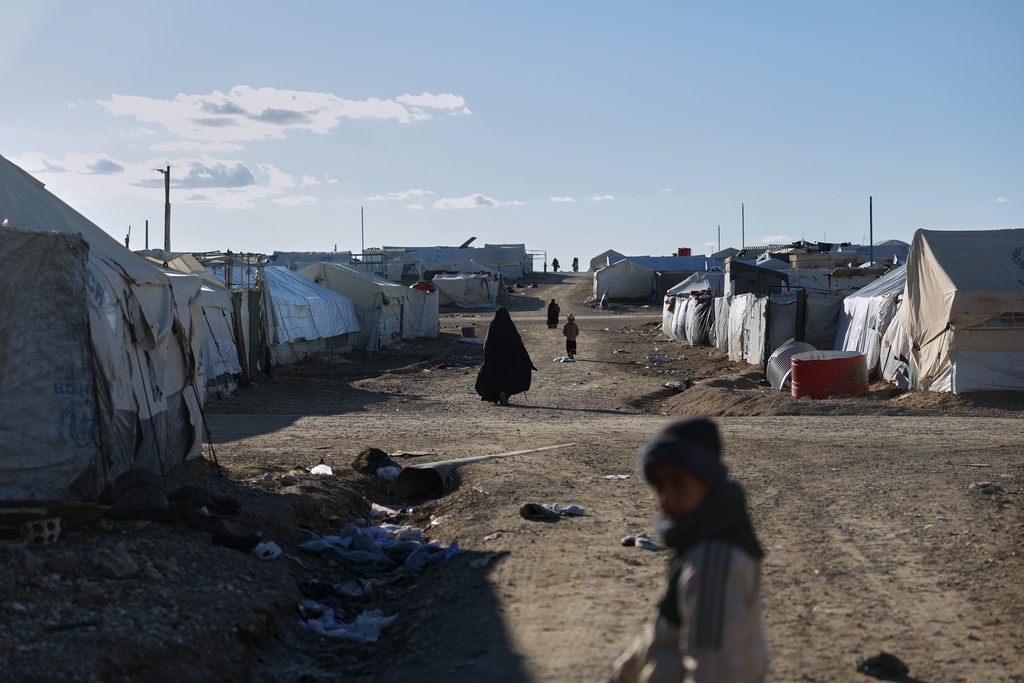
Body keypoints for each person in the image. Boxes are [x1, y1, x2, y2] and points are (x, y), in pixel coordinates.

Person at [611, 418, 768, 683]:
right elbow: (664, 632)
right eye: (659, 485)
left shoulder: (713, 563)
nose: (666, 498)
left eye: (678, 483)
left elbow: (715, 672)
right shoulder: (695, 543)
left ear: (708, 480)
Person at [475, 307, 537, 406]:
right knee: (509, 378)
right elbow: (518, 344)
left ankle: (499, 393)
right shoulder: (509, 326)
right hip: (510, 361)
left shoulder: (493, 325)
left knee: (494, 377)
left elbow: (488, 344)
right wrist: (526, 361)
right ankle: (505, 394)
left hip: (495, 360)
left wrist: (487, 358)